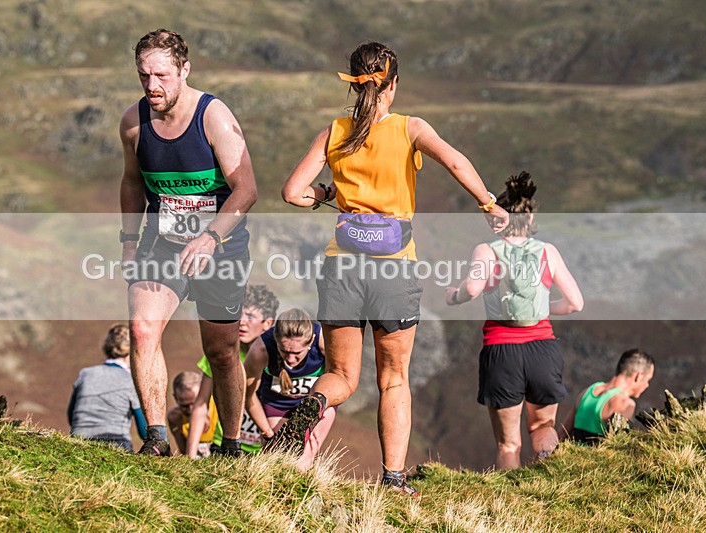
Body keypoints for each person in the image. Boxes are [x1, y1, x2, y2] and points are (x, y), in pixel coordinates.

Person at [279, 41, 509, 496]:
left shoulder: (334, 131)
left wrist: (327, 195)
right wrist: (488, 203)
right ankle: (393, 479)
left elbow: (292, 192)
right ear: (394, 83)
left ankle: (315, 402)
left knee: (342, 376)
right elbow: (455, 160)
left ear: (354, 83)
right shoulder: (410, 128)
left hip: (341, 266)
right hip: (393, 268)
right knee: (394, 378)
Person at [119, 29, 258, 456]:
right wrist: (128, 242)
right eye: (144, 75)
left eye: (162, 75)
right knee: (143, 329)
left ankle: (230, 446)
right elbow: (131, 182)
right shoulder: (132, 122)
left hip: (220, 247)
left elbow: (246, 189)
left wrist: (211, 237)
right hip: (161, 243)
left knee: (220, 352)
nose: (152, 86)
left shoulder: (213, 116)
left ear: (184, 70)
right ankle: (158, 438)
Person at [446, 171, 584, 469]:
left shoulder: (487, 250)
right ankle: (551, 478)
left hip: (502, 350)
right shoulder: (548, 251)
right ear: (531, 220)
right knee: (543, 427)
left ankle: (509, 503)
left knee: (509, 443)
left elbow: (472, 288)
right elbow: (575, 303)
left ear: (499, 217)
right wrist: (545, 307)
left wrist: (453, 296)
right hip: (542, 349)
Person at [187, 284, 279, 457]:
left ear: (268, 323)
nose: (242, 321)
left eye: (250, 316)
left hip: (261, 452)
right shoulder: (220, 356)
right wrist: (190, 456)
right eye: (239, 313)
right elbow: (201, 404)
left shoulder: (279, 356)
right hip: (222, 446)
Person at [244, 308, 337, 470]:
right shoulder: (261, 349)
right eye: (284, 351)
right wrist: (267, 432)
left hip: (315, 403)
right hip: (277, 404)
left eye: (297, 353)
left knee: (305, 455)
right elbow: (247, 395)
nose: (290, 359)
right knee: (276, 457)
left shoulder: (323, 342)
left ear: (311, 342)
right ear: (276, 340)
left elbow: (338, 380)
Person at [68, 324, 148, 452]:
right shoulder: (132, 380)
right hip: (117, 445)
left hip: (78, 443)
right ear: (133, 351)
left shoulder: (85, 374)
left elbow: (71, 416)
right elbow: (145, 431)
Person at [560, 349, 655, 445]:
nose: (647, 385)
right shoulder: (626, 403)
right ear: (638, 376)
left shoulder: (588, 391)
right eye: (648, 380)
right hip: (595, 458)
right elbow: (617, 447)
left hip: (573, 456)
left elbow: (563, 433)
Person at [167, 370, 218, 457]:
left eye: (195, 404)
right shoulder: (175, 418)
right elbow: (184, 453)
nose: (191, 410)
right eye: (185, 406)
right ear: (175, 398)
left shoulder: (219, 409)